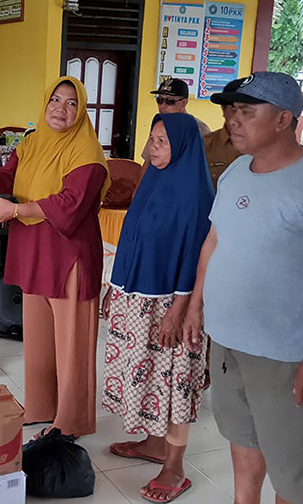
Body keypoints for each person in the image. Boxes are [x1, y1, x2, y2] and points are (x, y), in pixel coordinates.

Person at [183, 72, 303, 504]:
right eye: (230, 110)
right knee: (244, 444)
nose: (232, 120)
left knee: (294, 473)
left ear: (285, 120)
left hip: (286, 356)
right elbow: (214, 241)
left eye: (246, 111)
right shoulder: (237, 172)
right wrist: (195, 307)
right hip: (229, 344)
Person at [0, 76, 110, 437]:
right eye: (55, 100)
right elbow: (8, 180)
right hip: (36, 251)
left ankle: (70, 420)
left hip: (69, 255)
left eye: (72, 103)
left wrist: (14, 212)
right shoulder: (31, 144)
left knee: (72, 343)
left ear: (81, 110)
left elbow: (69, 205)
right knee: (38, 338)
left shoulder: (88, 153)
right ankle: (41, 406)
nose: (61, 108)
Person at [103, 113, 214, 503]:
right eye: (151, 140)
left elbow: (195, 258)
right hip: (137, 297)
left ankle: (175, 466)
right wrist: (113, 289)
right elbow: (131, 236)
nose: (153, 148)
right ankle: (153, 444)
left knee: (175, 380)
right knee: (147, 375)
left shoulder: (197, 193)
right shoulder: (151, 180)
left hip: (172, 302)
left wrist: (177, 310)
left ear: (184, 145)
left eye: (163, 141)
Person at [139, 78, 210, 171]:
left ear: (184, 102)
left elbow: (201, 168)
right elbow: (148, 163)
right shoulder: (159, 126)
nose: (162, 106)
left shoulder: (198, 129)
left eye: (170, 101)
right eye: (159, 100)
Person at [203, 78, 243, 189]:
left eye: (249, 110)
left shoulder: (266, 148)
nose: (241, 116)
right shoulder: (205, 145)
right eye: (234, 108)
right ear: (223, 110)